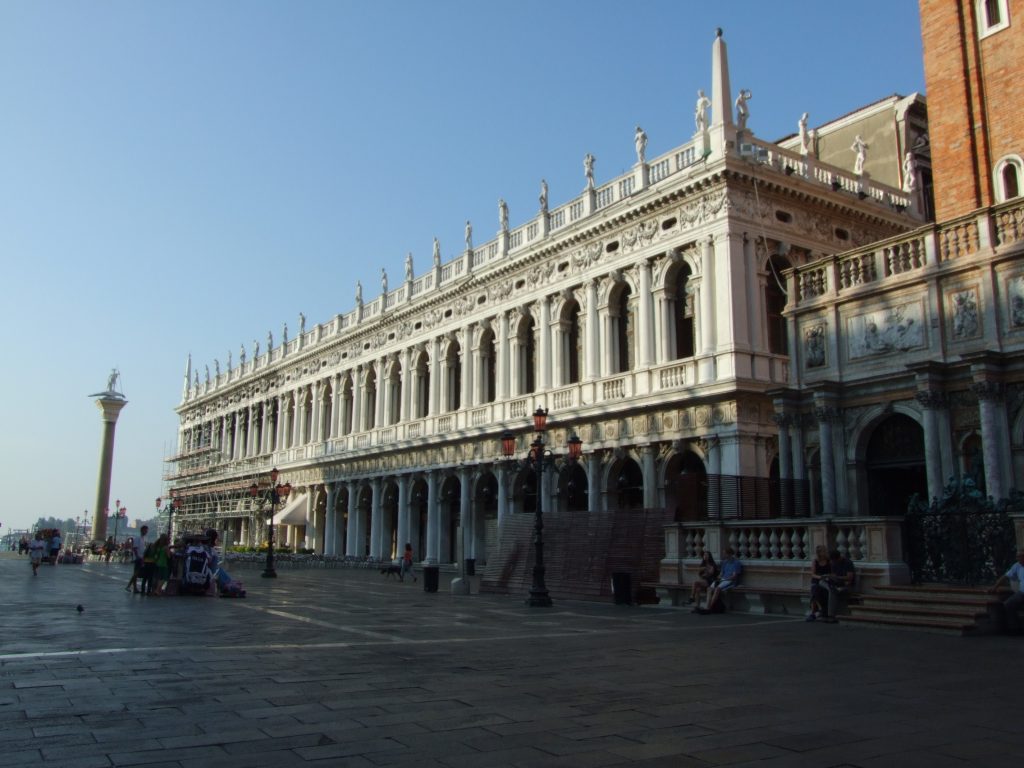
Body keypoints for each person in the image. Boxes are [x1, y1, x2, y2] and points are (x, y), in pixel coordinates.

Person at [988, 550, 1024, 635]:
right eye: (1017, 557)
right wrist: (995, 587)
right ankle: (1015, 627)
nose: (1018, 559)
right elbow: (1005, 577)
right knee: (1008, 604)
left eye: (1020, 557)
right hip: (1022, 593)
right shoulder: (1017, 566)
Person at [698, 547, 742, 613]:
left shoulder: (736, 563)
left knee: (717, 589)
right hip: (722, 579)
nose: (723, 555)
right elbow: (721, 573)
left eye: (725, 554)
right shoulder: (724, 562)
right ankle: (707, 606)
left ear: (729, 554)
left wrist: (724, 579)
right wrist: (719, 577)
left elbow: (734, 576)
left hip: (730, 580)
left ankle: (710, 608)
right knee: (709, 589)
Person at [820, 549, 856, 623]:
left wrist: (838, 578)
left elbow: (849, 577)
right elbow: (834, 575)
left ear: (837, 558)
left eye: (833, 560)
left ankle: (831, 615)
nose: (832, 562)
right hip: (836, 584)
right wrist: (829, 577)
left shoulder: (848, 563)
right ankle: (831, 588)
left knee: (832, 592)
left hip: (846, 585)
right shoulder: (833, 564)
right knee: (821, 582)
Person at [806, 545, 831, 621]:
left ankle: (817, 611)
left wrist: (827, 577)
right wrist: (820, 577)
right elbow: (813, 574)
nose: (824, 553)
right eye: (822, 551)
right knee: (815, 590)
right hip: (817, 580)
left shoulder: (828, 561)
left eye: (824, 551)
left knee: (821, 591)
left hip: (826, 580)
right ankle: (816, 611)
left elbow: (832, 572)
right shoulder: (815, 561)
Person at [125, 526, 148, 593]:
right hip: (138, 558)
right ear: (142, 530)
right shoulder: (137, 538)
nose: (146, 532)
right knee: (136, 573)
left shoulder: (142, 538)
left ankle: (135, 588)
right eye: (146, 530)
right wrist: (137, 556)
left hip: (140, 557)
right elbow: (135, 548)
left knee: (136, 573)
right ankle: (128, 586)